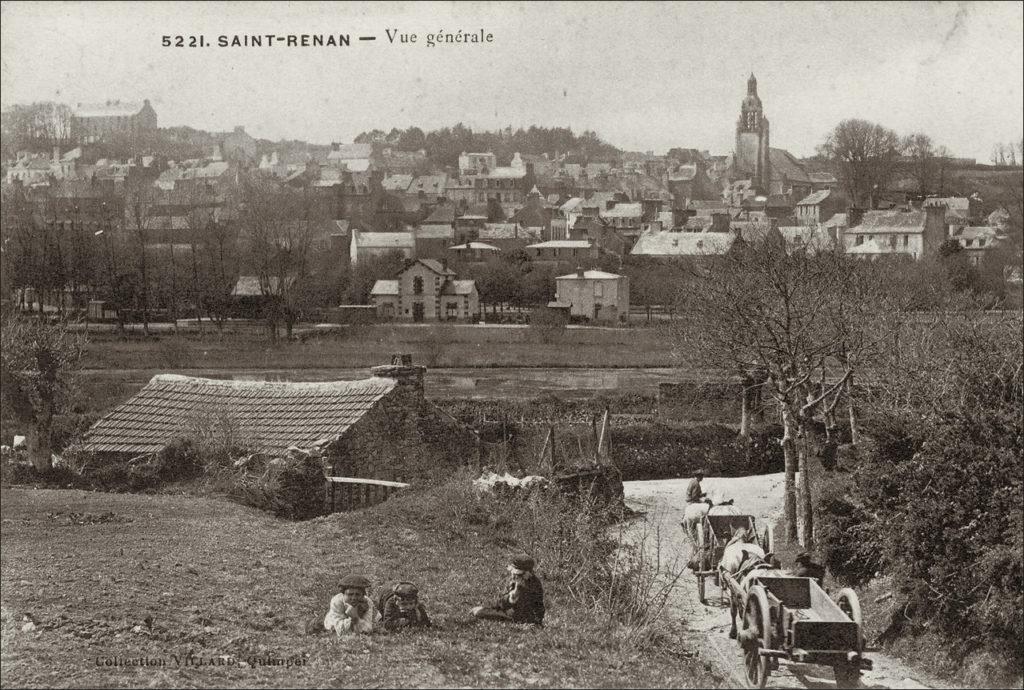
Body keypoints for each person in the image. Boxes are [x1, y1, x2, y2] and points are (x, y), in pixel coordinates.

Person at [471, 554, 545, 626]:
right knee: (480, 610)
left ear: (528, 573)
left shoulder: (532, 585)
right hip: (509, 612)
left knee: (479, 612)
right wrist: (509, 599)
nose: (513, 576)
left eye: (518, 574)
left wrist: (514, 597)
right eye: (512, 572)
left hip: (523, 618)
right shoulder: (513, 580)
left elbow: (531, 610)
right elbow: (500, 601)